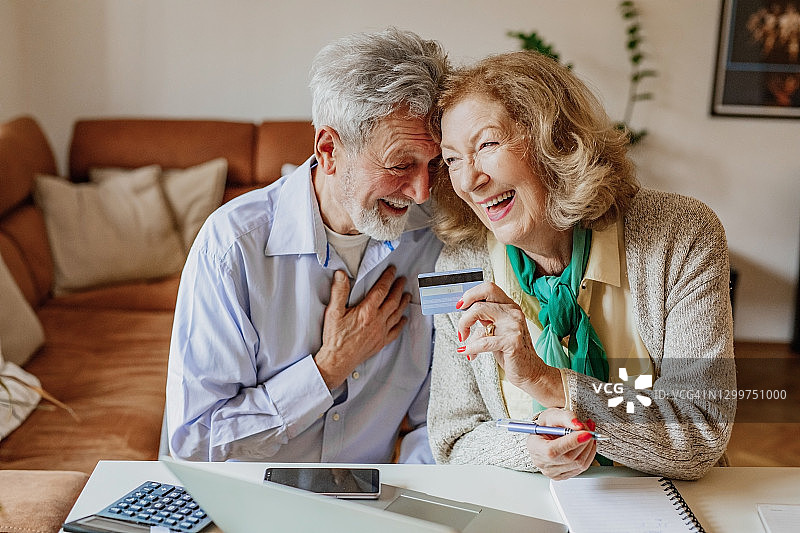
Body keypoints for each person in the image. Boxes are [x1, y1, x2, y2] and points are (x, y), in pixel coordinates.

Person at [426, 51, 736, 481]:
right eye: (453, 159)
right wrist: (532, 445)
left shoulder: (682, 235)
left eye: (487, 144)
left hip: (669, 504)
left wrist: (548, 382)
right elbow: (452, 438)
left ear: (556, 140)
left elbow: (701, 430)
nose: (468, 181)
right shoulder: (458, 266)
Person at [166, 27, 448, 463]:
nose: (422, 192)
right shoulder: (230, 250)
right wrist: (329, 368)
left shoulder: (435, 242)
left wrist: (405, 502)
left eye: (433, 165)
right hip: (253, 507)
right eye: (400, 165)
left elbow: (439, 419)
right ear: (330, 149)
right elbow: (197, 442)